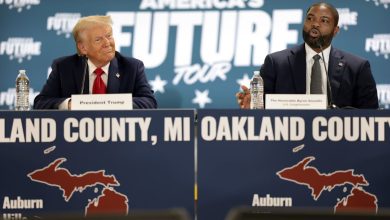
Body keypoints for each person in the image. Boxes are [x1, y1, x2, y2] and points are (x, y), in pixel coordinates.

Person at [236, 2, 379, 109]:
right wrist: (252, 107)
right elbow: (261, 110)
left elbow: (371, 116)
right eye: (310, 18)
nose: (315, 24)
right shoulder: (276, 63)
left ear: (335, 31)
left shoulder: (357, 67)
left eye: (324, 21)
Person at [34, 15, 157, 109]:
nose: (107, 43)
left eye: (109, 36)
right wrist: (70, 104)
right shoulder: (64, 68)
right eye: (98, 40)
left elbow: (149, 102)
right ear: (83, 47)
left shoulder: (132, 67)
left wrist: (113, 103)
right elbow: (41, 102)